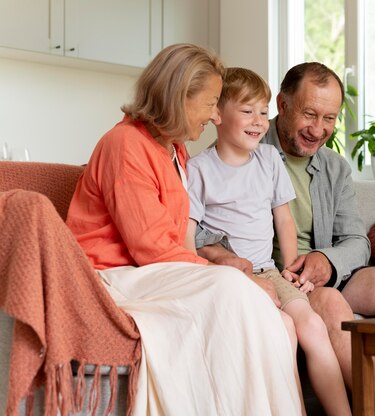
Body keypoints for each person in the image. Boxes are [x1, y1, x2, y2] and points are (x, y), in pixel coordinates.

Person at [195, 62, 375, 415]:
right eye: (309, 114)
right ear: (282, 105)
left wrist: (327, 261)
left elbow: (357, 241)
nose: (319, 129)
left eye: (329, 118)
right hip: (277, 279)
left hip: (327, 278)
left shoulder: (334, 167)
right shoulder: (244, 148)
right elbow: (197, 226)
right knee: (328, 302)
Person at [65, 44, 302, 415]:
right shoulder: (125, 144)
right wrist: (233, 276)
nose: (214, 116)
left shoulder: (174, 149)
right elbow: (152, 247)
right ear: (178, 98)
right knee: (231, 287)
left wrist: (222, 264)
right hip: (114, 277)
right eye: (210, 104)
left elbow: (178, 240)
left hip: (155, 272)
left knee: (275, 319)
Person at [186, 67, 351, 415]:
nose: (259, 121)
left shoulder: (269, 160)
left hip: (272, 271)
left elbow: (284, 219)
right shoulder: (199, 169)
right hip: (237, 279)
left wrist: (290, 269)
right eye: (247, 111)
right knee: (285, 332)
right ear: (217, 114)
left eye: (263, 112)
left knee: (313, 327)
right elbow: (189, 237)